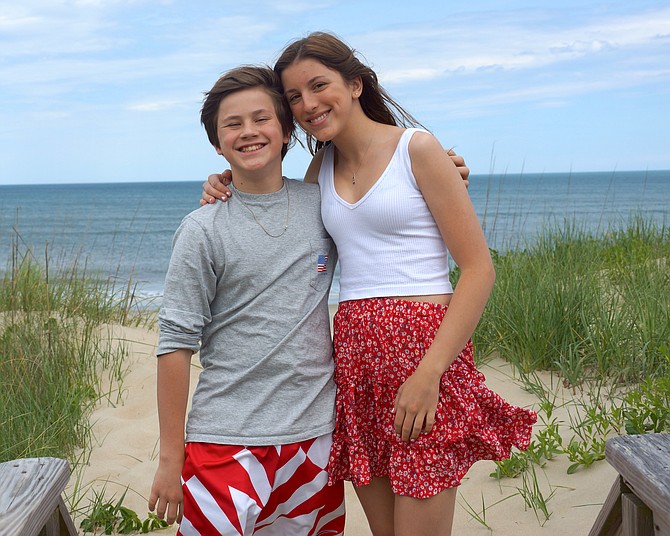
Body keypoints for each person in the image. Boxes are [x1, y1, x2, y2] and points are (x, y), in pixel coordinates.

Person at [203, 32, 537, 536]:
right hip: (356, 362)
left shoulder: (417, 149)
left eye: (319, 85)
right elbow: (277, 208)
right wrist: (223, 181)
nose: (309, 103)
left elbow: (477, 270)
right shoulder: (321, 169)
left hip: (424, 355)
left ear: (356, 83)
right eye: (294, 97)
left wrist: (429, 375)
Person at [148, 65, 345, 535]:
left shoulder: (323, 204)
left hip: (316, 438)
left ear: (286, 131)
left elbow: (381, 188)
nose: (249, 132)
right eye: (232, 125)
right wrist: (170, 459)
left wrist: (444, 166)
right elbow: (175, 343)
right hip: (225, 441)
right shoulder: (203, 229)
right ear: (217, 143)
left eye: (261, 119)